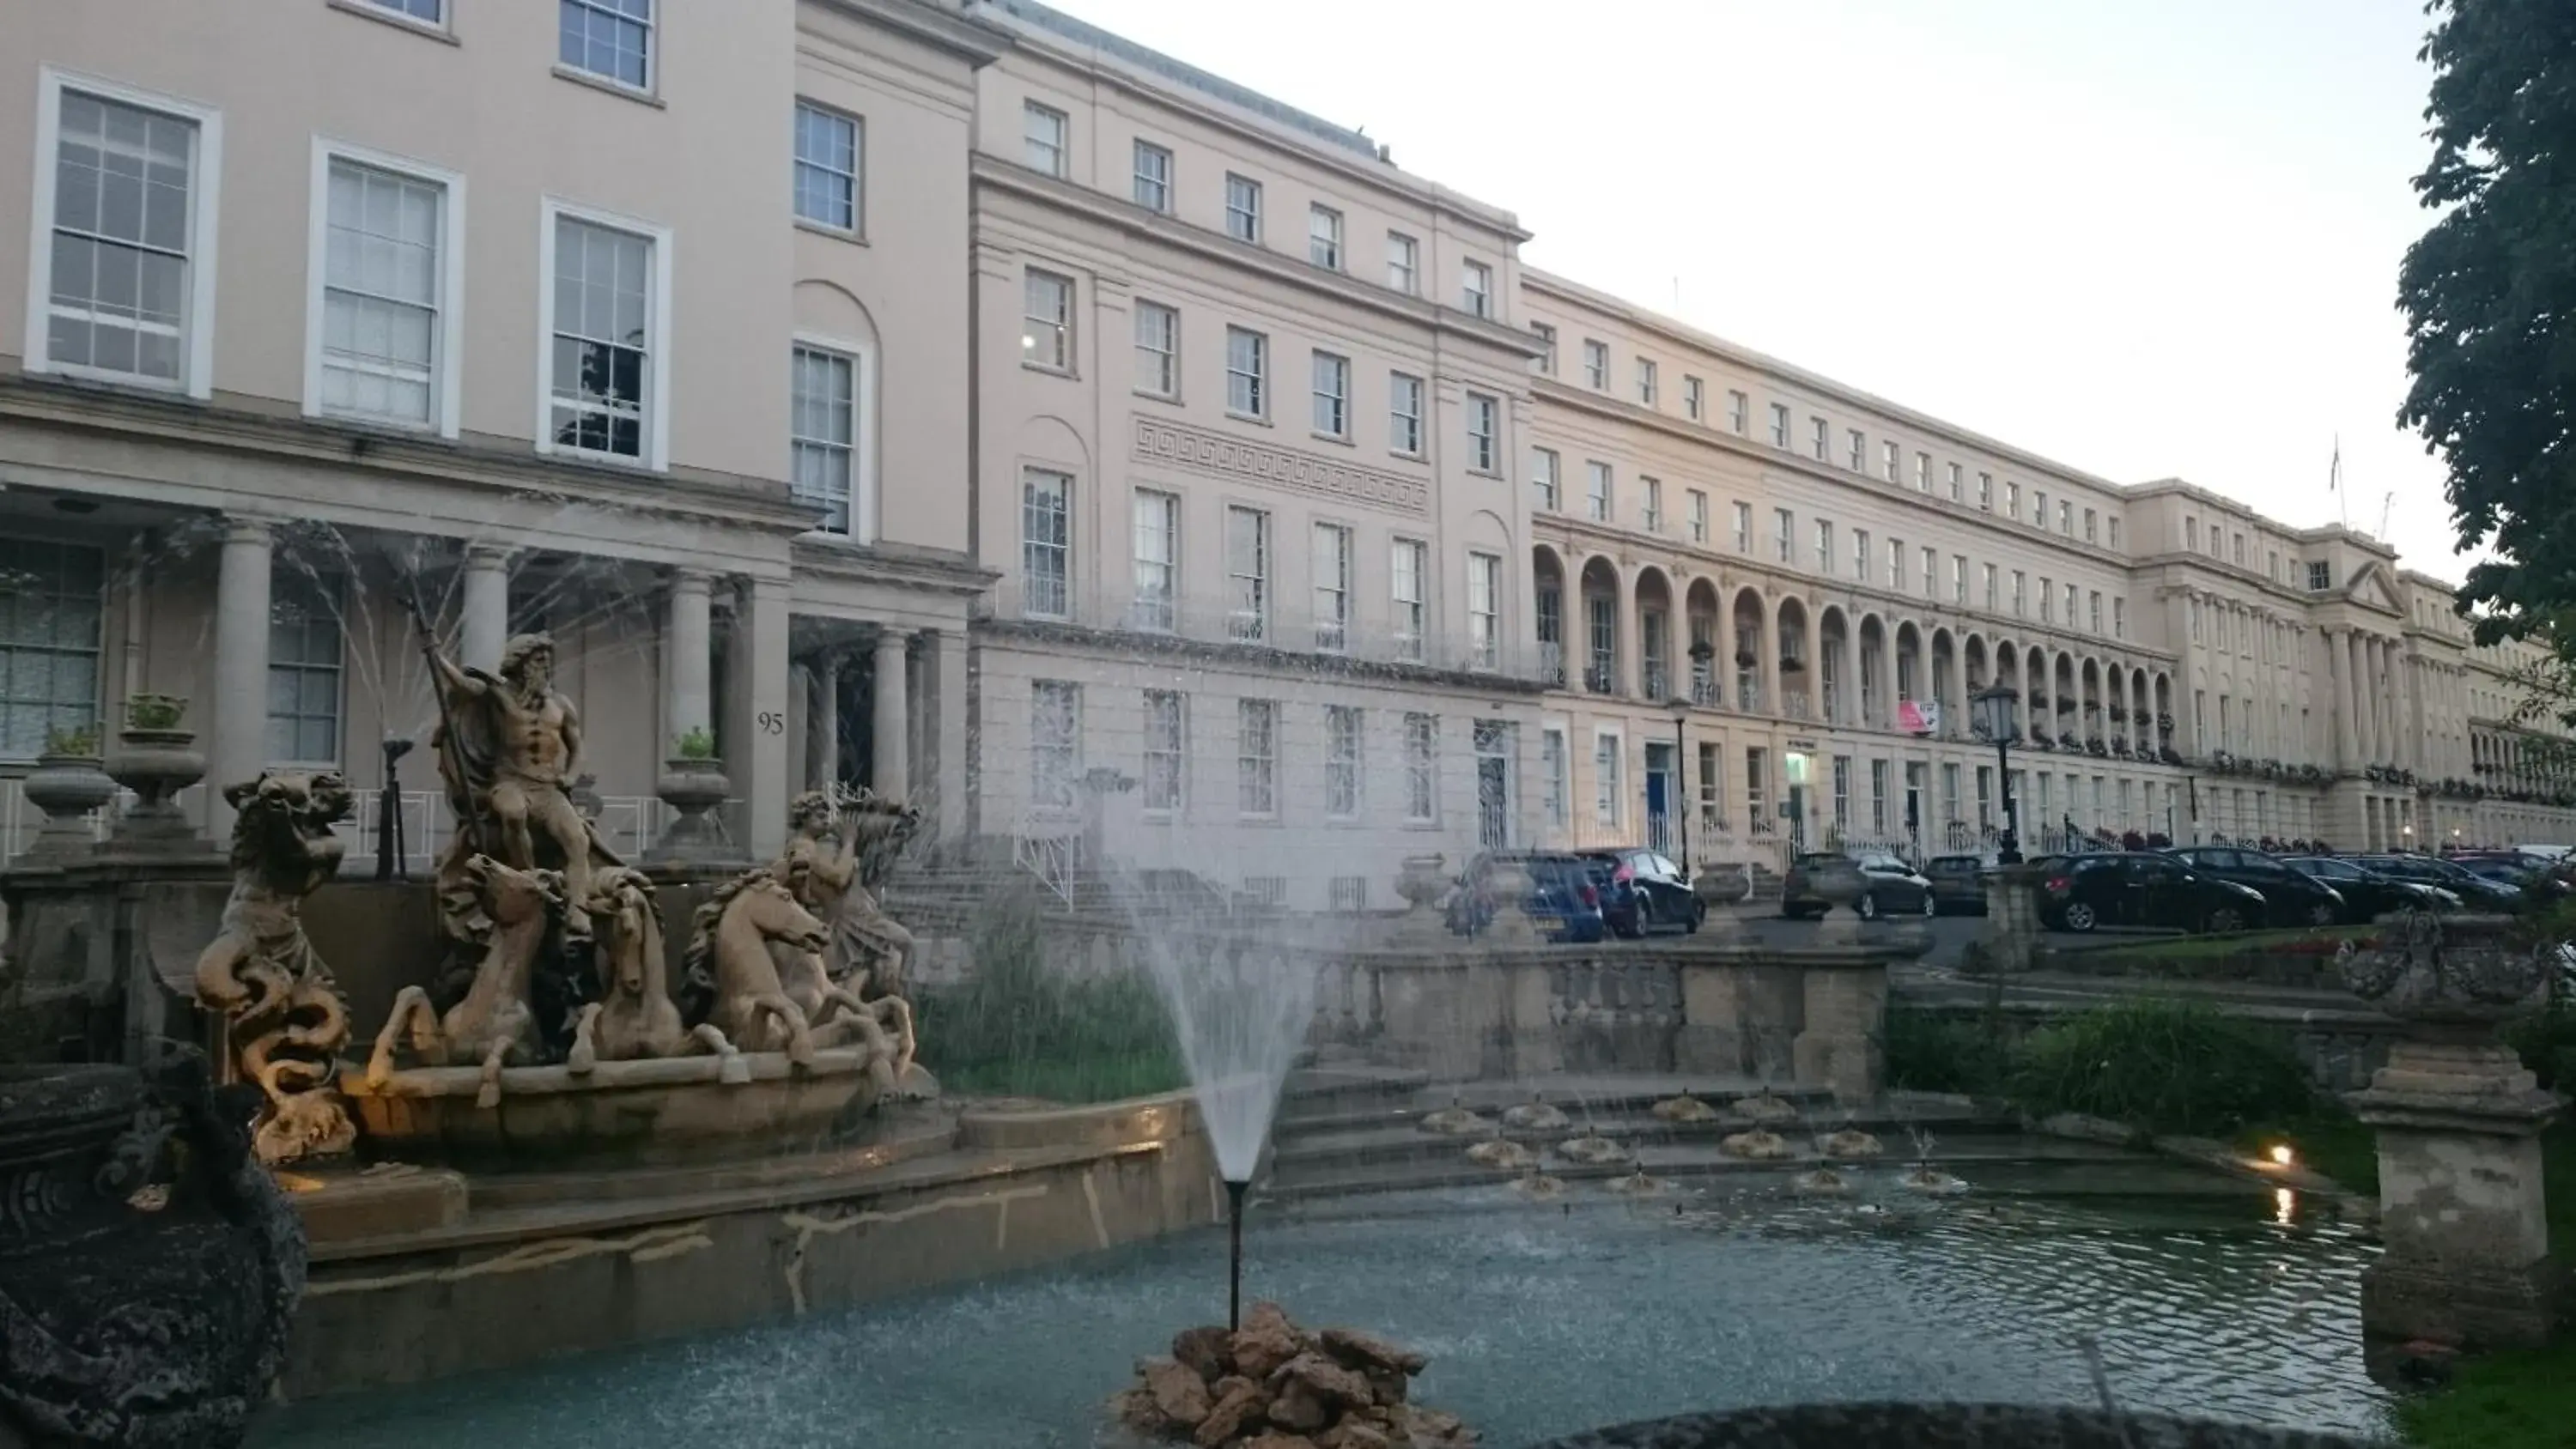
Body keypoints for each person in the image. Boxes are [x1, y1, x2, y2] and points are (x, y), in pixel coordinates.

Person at [426, 631, 618, 940]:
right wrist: (435, 654)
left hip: (548, 788)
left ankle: (579, 909)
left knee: (577, 839)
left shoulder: (561, 705)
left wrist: (569, 776)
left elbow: (579, 748)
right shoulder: (498, 696)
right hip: (509, 783)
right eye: (537, 661)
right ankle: (529, 879)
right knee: (513, 815)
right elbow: (464, 686)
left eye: (546, 662)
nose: (544, 667)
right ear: (520, 664)